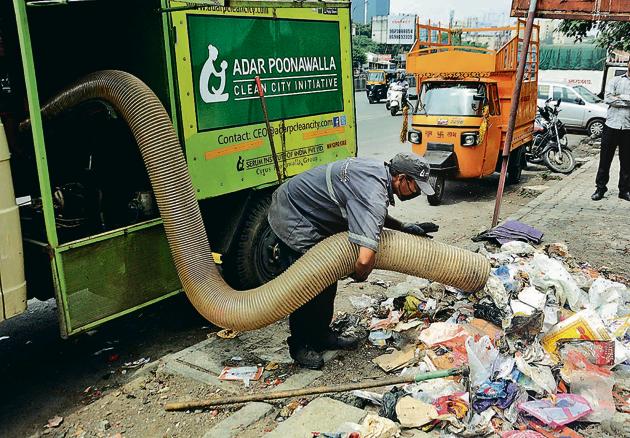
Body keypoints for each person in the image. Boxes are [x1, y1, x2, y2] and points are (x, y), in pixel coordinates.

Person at [267, 153, 438, 369]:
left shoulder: (378, 173)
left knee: (326, 277)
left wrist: (402, 227)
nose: (417, 193)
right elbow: (365, 259)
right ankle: (300, 344)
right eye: (416, 187)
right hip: (294, 213)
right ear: (401, 178)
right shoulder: (373, 191)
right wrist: (359, 274)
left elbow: (367, 211)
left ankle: (321, 335)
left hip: (311, 211)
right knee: (306, 285)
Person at [592, 60, 630, 201]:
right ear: (628, 64)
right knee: (605, 160)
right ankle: (600, 189)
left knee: (627, 162)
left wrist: (620, 97)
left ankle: (624, 190)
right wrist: (627, 101)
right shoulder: (615, 80)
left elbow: (614, 99)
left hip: (628, 128)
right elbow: (608, 98)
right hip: (611, 125)